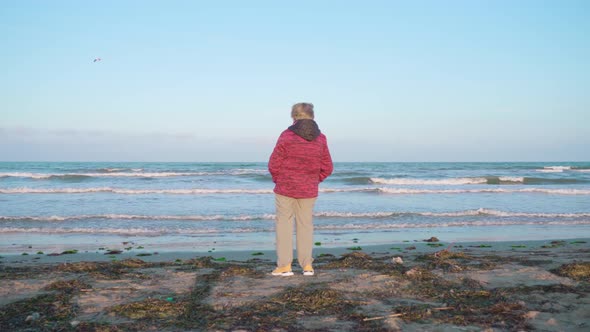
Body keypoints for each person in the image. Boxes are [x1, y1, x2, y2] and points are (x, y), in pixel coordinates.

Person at [268, 102, 333, 276]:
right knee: (305, 226)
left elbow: (274, 162)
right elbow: (327, 167)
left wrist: (279, 179)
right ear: (312, 116)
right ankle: (307, 266)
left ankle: (285, 266)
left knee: (284, 225)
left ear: (294, 116)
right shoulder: (321, 138)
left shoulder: (287, 135)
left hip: (286, 187)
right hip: (308, 189)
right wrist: (312, 180)